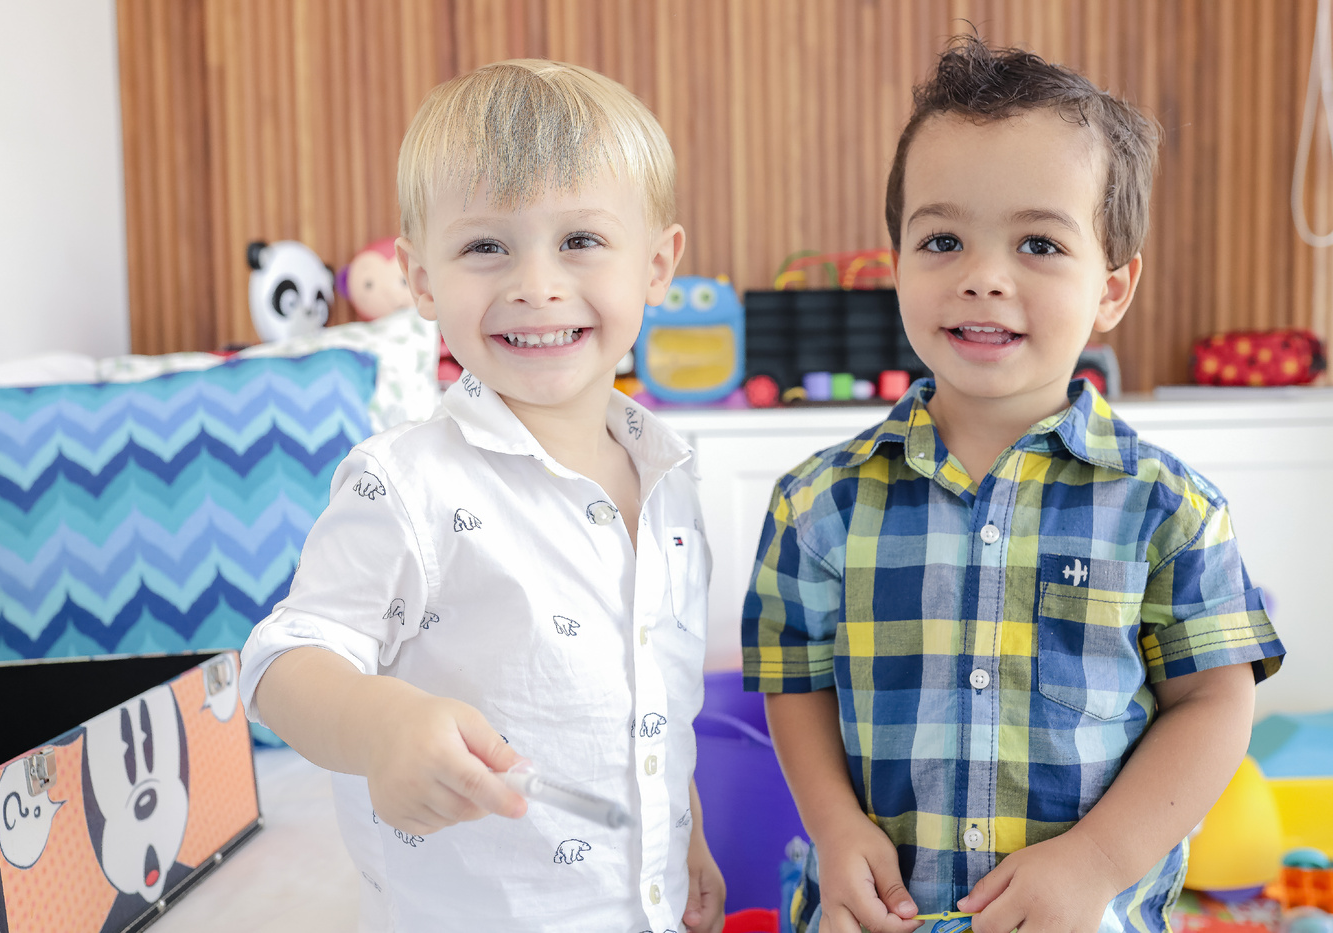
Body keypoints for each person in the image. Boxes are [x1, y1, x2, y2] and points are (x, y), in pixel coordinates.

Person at [742, 36, 1285, 933]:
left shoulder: (1170, 510)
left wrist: (1096, 861)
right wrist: (834, 827)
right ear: (897, 264)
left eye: (1038, 243)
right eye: (942, 240)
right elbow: (794, 682)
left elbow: (1216, 703)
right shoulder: (817, 503)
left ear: (1112, 289)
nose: (983, 278)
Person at [240, 59, 726, 933]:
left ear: (657, 266)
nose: (536, 284)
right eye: (485, 247)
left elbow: (653, 697)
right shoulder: (405, 483)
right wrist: (380, 724)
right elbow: (281, 663)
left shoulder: (673, 485)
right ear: (422, 278)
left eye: (580, 240)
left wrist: (681, 833)